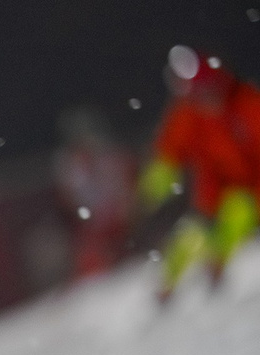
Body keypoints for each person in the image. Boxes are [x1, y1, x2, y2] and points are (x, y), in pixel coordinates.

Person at [141, 45, 260, 297]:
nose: (207, 99)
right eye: (199, 94)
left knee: (236, 215)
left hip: (251, 188)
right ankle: (166, 286)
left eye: (209, 90)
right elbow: (170, 150)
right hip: (212, 191)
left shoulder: (248, 104)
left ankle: (217, 264)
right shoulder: (189, 114)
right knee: (191, 234)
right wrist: (157, 182)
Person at [53, 106, 135, 279]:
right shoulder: (71, 162)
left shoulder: (108, 153)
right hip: (94, 222)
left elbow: (126, 181)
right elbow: (70, 197)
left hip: (118, 216)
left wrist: (124, 206)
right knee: (91, 263)